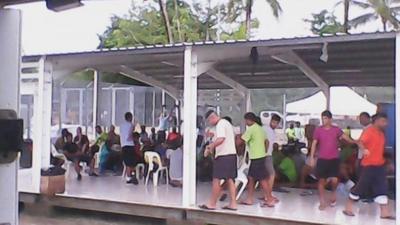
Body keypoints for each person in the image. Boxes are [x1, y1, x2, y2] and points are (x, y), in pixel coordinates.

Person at [343, 113, 395, 220]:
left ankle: (384, 212)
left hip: (380, 165)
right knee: (360, 187)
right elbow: (360, 142)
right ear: (376, 121)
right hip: (368, 166)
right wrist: (364, 149)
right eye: (383, 121)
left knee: (382, 189)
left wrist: (387, 162)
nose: (386, 124)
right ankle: (348, 208)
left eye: (386, 121)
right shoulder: (369, 131)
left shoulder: (381, 133)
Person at [309, 110, 357, 210]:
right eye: (322, 118)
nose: (323, 120)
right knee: (321, 181)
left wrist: (356, 142)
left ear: (330, 119)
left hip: (334, 159)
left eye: (325, 118)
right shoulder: (318, 130)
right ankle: (322, 201)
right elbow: (314, 144)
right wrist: (312, 158)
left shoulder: (336, 130)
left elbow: (346, 138)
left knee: (335, 180)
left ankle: (333, 193)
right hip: (322, 159)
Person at [199, 110, 237, 211]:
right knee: (230, 179)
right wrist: (211, 136)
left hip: (223, 156)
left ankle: (212, 204)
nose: (210, 124)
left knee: (216, 179)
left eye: (209, 121)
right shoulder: (226, 123)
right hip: (231, 155)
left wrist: (210, 146)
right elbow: (220, 137)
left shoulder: (220, 124)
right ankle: (233, 204)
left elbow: (221, 139)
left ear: (212, 118)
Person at [239, 112, 274, 207]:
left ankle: (270, 200)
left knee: (262, 179)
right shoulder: (260, 129)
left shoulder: (251, 129)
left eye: (246, 120)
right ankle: (249, 199)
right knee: (251, 178)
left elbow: (241, 141)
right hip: (260, 156)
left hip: (256, 158)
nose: (245, 122)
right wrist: (265, 151)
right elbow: (266, 142)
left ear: (249, 120)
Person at [263, 114, 281, 203]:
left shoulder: (268, 130)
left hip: (265, 155)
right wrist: (265, 153)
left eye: (276, 123)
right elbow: (266, 142)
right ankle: (268, 195)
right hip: (266, 155)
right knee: (272, 174)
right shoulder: (268, 130)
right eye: (274, 122)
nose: (275, 125)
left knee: (266, 176)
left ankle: (267, 194)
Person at [120, 112, 139, 185]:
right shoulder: (130, 125)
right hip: (130, 145)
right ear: (130, 118)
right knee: (132, 162)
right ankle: (133, 175)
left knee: (127, 163)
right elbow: (130, 134)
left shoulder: (121, 125)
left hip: (123, 145)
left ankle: (128, 178)